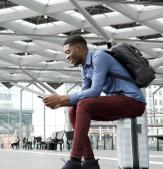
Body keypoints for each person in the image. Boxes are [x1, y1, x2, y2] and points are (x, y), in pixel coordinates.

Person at [42, 35, 146, 169]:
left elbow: (95, 91)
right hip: (119, 102)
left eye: (68, 52)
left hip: (134, 102)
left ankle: (74, 160)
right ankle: (90, 162)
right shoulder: (85, 68)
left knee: (83, 105)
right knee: (73, 110)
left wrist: (61, 98)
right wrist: (61, 103)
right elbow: (85, 96)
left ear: (79, 48)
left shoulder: (99, 57)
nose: (67, 57)